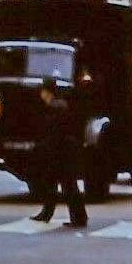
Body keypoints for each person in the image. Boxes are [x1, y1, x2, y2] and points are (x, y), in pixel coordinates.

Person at [29, 77, 87, 228]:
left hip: (60, 152)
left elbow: (54, 132)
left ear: (46, 92)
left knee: (62, 186)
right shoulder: (60, 105)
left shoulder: (54, 107)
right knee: (66, 185)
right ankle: (76, 217)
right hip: (65, 150)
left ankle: (70, 217)